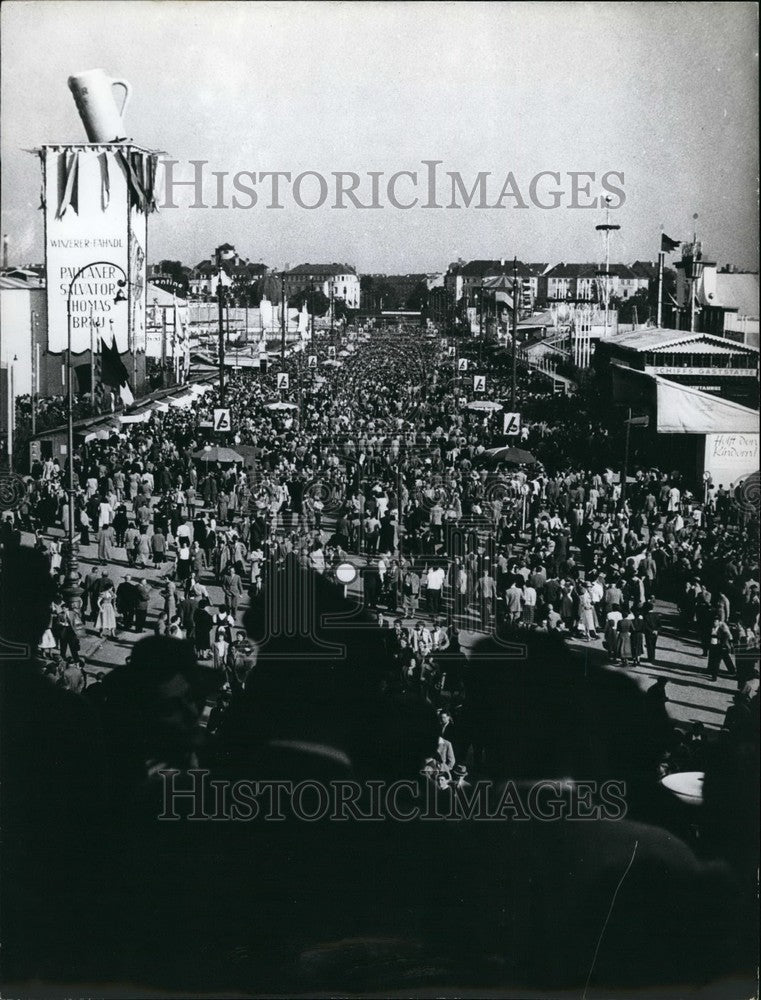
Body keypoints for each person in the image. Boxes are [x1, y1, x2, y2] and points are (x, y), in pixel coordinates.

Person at [707, 614, 736, 682]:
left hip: (721, 647)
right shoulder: (711, 627)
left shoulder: (723, 627)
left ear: (719, 622)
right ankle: (711, 670)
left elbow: (728, 635)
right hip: (714, 646)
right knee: (713, 658)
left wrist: (727, 643)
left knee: (722, 659)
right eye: (713, 621)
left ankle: (731, 670)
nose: (714, 623)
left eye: (715, 621)